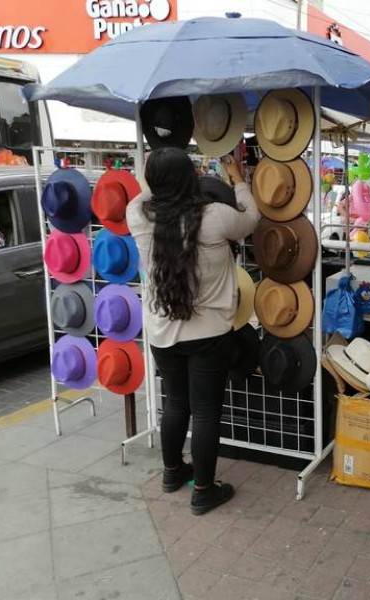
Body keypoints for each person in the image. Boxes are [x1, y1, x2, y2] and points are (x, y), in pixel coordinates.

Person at [126, 149, 260, 516]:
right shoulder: (214, 217)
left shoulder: (137, 214)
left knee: (175, 403)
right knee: (205, 412)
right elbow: (252, 219)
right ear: (192, 179)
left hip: (161, 332)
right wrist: (237, 179)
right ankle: (203, 490)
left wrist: (159, 177)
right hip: (209, 333)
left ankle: (172, 473)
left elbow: (149, 192)